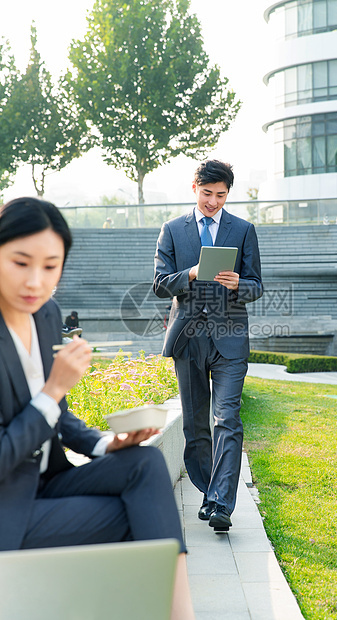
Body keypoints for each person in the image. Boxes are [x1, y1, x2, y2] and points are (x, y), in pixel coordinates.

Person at [0, 197, 194, 620]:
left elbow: (62, 420)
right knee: (142, 517)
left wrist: (108, 443)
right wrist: (52, 391)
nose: (36, 280)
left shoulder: (45, 314)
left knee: (143, 463)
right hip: (6, 510)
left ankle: (181, 613)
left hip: (48, 486)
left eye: (51, 266)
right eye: (20, 262)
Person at [153, 160, 263, 532]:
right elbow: (159, 284)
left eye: (221, 195)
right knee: (197, 427)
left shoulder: (244, 230)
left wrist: (238, 284)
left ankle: (221, 504)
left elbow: (257, 285)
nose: (214, 201)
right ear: (194, 188)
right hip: (188, 338)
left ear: (228, 193)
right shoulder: (172, 230)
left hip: (230, 337)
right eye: (207, 193)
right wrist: (192, 274)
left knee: (227, 420)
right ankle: (208, 491)